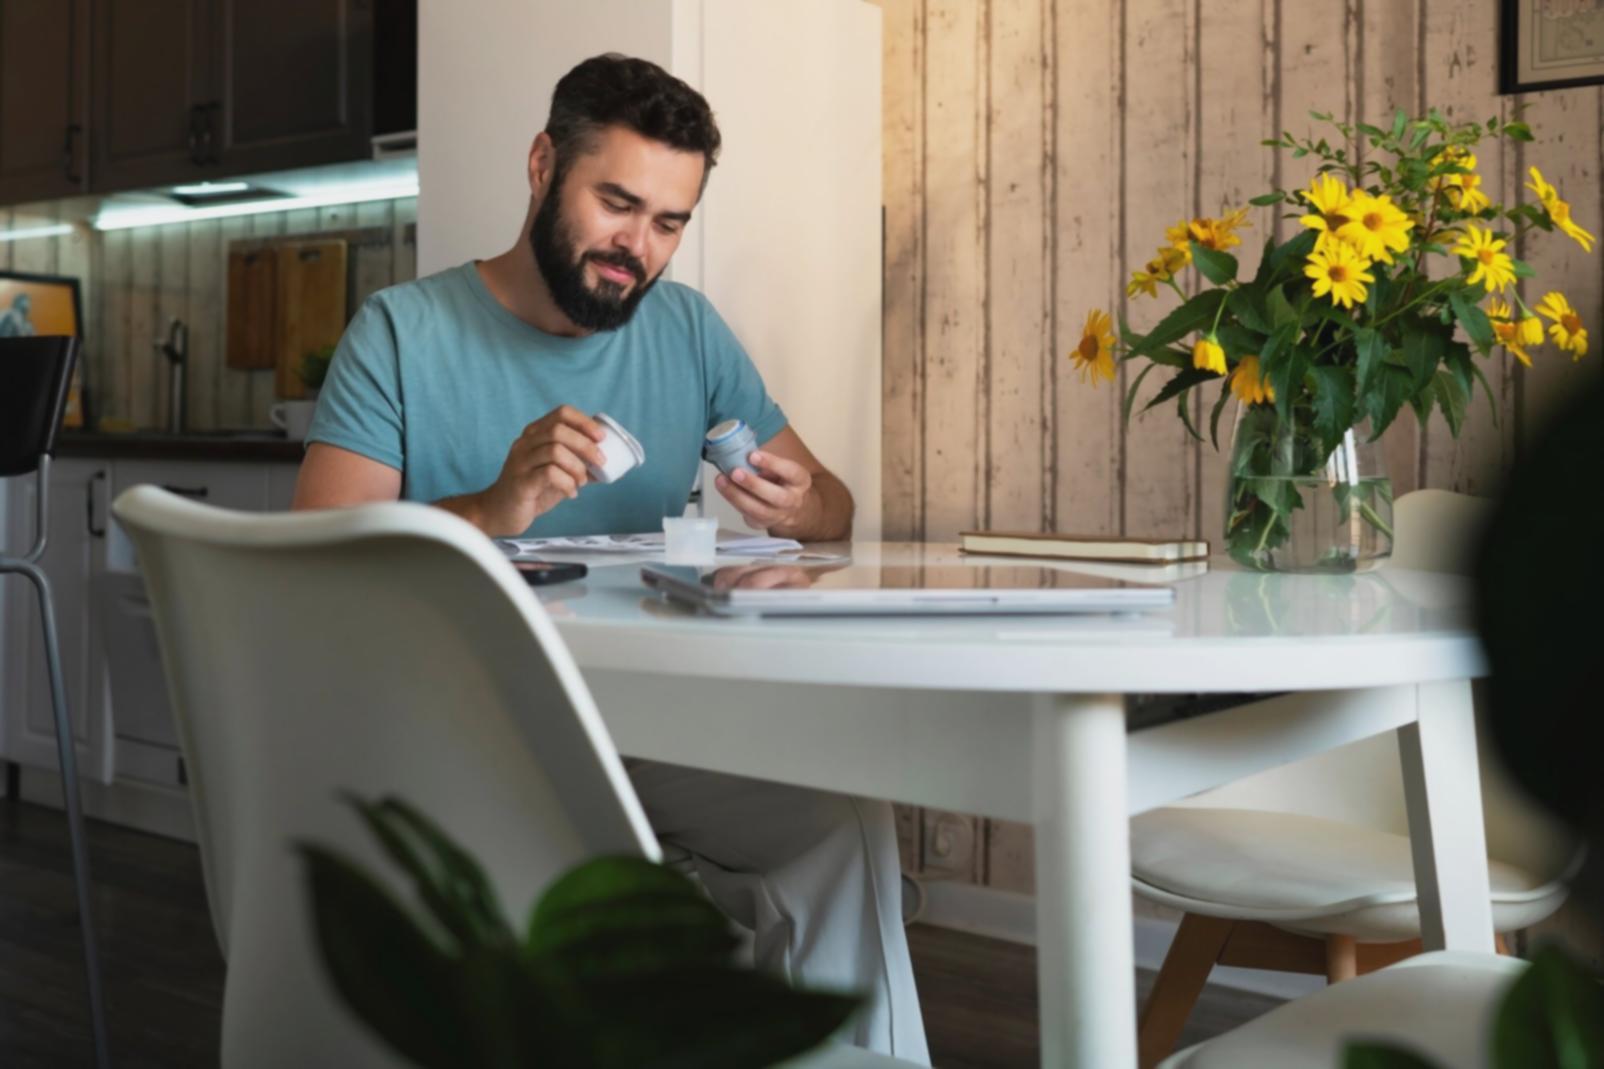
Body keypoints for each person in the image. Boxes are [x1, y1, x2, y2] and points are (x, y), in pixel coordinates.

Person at [292, 53, 928, 1061]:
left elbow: (835, 505)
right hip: (463, 729)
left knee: (835, 827)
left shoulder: (685, 329)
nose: (638, 247)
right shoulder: (400, 334)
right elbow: (317, 566)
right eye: (617, 203)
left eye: (668, 222)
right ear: (544, 164)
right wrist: (497, 506)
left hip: (652, 720)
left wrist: (802, 505)